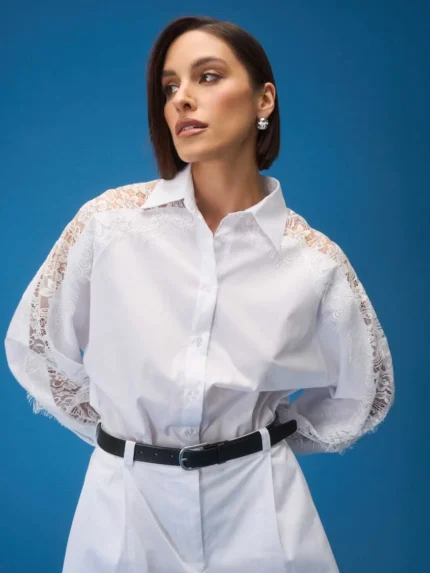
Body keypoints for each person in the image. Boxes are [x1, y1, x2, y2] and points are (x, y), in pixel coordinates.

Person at [4, 15, 394, 573]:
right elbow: (36, 347)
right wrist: (127, 440)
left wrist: (263, 440)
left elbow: (363, 392)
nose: (182, 98)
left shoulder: (313, 261)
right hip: (124, 509)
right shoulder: (108, 226)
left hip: (260, 509)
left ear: (264, 99)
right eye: (170, 87)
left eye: (207, 76)